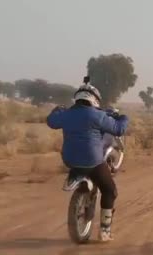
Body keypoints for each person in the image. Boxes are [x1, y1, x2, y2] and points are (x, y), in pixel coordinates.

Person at [46, 77, 129, 241]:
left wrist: (57, 110)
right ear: (95, 100)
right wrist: (124, 118)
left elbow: (51, 121)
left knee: (87, 164)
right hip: (92, 162)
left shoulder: (67, 114)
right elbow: (118, 130)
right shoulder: (98, 116)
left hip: (69, 160)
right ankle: (105, 231)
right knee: (110, 190)